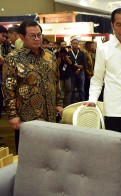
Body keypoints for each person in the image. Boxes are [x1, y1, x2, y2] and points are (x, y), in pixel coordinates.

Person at [2, 20, 64, 153]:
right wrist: (12, 115)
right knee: (29, 156)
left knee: (51, 152)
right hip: (27, 118)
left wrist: (59, 103)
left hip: (51, 115)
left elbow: (56, 81)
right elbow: (8, 89)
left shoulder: (50, 56)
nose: (37, 39)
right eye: (32, 36)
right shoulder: (13, 59)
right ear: (22, 37)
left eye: (39, 35)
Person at [69, 37, 86, 103]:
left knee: (81, 88)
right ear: (71, 44)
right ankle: (72, 102)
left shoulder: (82, 53)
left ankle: (82, 101)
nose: (75, 44)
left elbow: (84, 64)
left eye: (76, 43)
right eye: (74, 43)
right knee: (72, 89)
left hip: (81, 72)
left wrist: (78, 68)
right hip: (72, 72)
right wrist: (76, 66)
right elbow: (70, 64)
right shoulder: (69, 53)